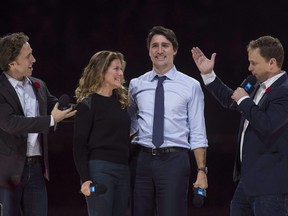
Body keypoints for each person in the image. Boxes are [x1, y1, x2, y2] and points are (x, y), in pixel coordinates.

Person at [191, 35, 288, 215]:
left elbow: (267, 124)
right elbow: (233, 100)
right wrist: (209, 75)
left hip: (271, 186)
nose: (249, 68)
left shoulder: (284, 91)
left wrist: (244, 100)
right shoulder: (256, 85)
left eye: (254, 63)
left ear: (272, 63)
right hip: (247, 183)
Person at [128, 26, 208, 216]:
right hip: (141, 160)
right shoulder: (135, 84)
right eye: (154, 46)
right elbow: (129, 122)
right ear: (149, 51)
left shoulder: (191, 86)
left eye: (165, 45)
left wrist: (202, 171)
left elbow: (198, 131)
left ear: (175, 50)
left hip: (174, 161)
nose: (159, 50)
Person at [0, 32, 76, 216]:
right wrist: (51, 120)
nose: (34, 59)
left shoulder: (38, 85)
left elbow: (59, 109)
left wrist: (92, 107)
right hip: (7, 175)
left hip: (36, 171)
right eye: (28, 57)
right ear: (12, 63)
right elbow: (11, 123)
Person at [73, 50, 131, 216]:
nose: (120, 73)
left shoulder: (121, 103)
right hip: (100, 170)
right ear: (101, 71)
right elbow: (79, 146)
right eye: (116, 69)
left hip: (123, 170)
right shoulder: (87, 104)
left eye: (121, 69)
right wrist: (86, 179)